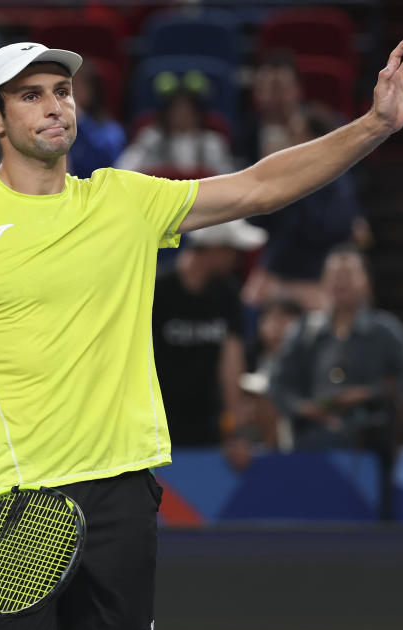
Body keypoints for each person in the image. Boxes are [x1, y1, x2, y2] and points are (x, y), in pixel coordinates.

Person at [0, 38, 403, 630]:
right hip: (12, 506)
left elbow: (258, 188)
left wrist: (374, 126)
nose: (55, 106)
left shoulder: (125, 201)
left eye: (62, 91)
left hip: (122, 497)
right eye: (31, 96)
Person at [268, 245, 403, 519]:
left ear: (366, 282)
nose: (341, 281)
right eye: (334, 275)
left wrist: (369, 394)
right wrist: (304, 408)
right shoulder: (305, 332)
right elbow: (278, 384)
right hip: (312, 448)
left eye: (349, 274)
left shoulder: (385, 331)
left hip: (369, 449)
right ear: (323, 283)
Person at [151, 221, 266, 445]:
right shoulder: (158, 290)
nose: (237, 259)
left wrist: (235, 427)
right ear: (214, 248)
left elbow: (231, 358)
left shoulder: (227, 294)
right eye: (233, 250)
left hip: (209, 422)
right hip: (159, 420)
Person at [241, 104, 364, 310]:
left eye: (299, 134)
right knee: (247, 305)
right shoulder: (282, 176)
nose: (292, 142)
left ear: (318, 139)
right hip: (275, 272)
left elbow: (327, 230)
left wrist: (298, 189)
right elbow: (254, 219)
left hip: (314, 278)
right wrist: (265, 176)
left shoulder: (339, 182)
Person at [116, 70, 235, 176]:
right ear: (166, 114)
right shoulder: (151, 138)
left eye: (187, 110)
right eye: (176, 110)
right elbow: (124, 170)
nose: (181, 115)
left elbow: (228, 179)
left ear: (198, 115)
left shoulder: (212, 142)